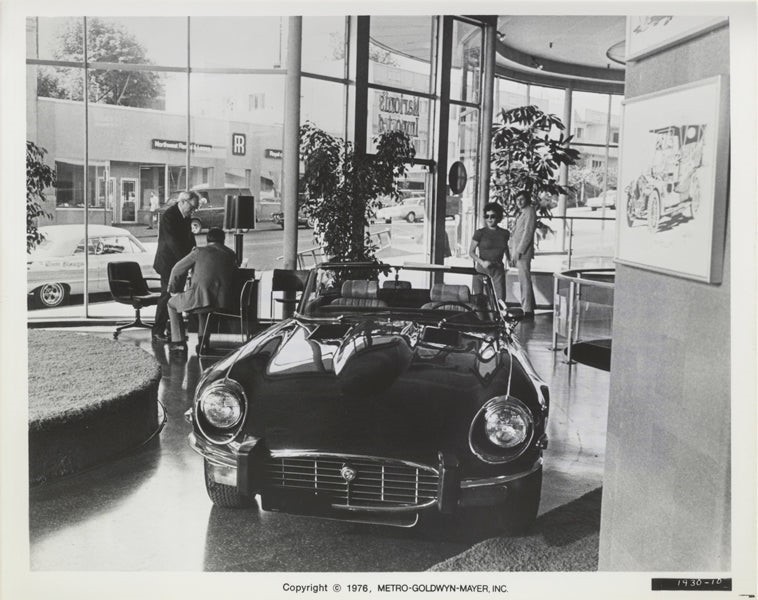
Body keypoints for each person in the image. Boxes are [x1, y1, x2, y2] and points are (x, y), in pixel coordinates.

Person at [166, 227, 239, 355]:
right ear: (223, 240)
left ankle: (179, 343)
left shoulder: (198, 252)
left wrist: (173, 289)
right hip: (223, 302)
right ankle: (203, 344)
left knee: (172, 304)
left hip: (201, 298)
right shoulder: (231, 254)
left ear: (207, 240)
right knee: (205, 307)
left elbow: (176, 270)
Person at [152, 190, 199, 342]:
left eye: (195, 208)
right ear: (183, 202)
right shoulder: (169, 216)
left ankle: (173, 331)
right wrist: (187, 261)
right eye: (192, 207)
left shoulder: (185, 215)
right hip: (168, 264)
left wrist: (194, 252)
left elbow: (189, 237)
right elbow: (172, 242)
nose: (193, 211)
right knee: (167, 296)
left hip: (180, 263)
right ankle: (157, 331)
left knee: (176, 297)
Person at [469, 201, 510, 303]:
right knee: (479, 301)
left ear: (498, 217)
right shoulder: (480, 233)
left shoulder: (505, 233)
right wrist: (482, 262)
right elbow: (471, 252)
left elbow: (505, 247)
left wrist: (509, 259)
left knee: (500, 301)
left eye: (492, 216)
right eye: (486, 216)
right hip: (481, 270)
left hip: (497, 270)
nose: (489, 219)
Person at [509, 190, 537, 318]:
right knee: (524, 279)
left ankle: (527, 309)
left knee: (524, 280)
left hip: (523, 252)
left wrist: (520, 250)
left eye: (522, 199)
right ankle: (529, 306)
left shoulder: (530, 211)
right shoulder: (522, 212)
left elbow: (528, 232)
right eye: (517, 200)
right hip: (518, 250)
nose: (519, 202)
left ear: (527, 200)